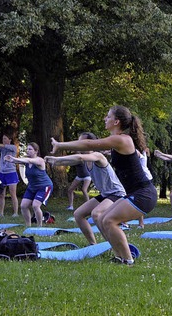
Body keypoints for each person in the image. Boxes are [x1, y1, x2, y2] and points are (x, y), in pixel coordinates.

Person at [51, 105, 157, 265]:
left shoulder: (121, 139)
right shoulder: (119, 142)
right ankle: (119, 256)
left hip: (144, 194)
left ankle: (128, 260)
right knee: (101, 219)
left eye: (108, 117)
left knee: (109, 221)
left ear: (116, 121)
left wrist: (60, 145)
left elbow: (88, 145)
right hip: (135, 193)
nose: (104, 119)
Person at [46, 133, 126, 245]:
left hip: (117, 193)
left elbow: (79, 157)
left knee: (96, 214)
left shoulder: (98, 156)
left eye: (82, 142)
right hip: (105, 194)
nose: (79, 145)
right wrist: (55, 161)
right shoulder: (85, 160)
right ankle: (93, 244)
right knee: (78, 214)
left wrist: (56, 158)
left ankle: (112, 245)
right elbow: (70, 161)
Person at [5, 142, 53, 227]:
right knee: (23, 206)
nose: (28, 151)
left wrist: (14, 159)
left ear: (36, 151)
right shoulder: (26, 161)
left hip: (44, 186)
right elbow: (22, 161)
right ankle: (28, 225)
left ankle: (39, 226)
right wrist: (12, 160)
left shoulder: (40, 160)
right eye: (27, 149)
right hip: (32, 187)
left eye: (30, 149)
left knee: (35, 205)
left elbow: (29, 160)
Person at [66, 133, 94, 211]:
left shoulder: (83, 156)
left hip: (87, 176)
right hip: (79, 176)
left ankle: (89, 207)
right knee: (70, 190)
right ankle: (71, 206)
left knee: (84, 190)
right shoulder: (75, 158)